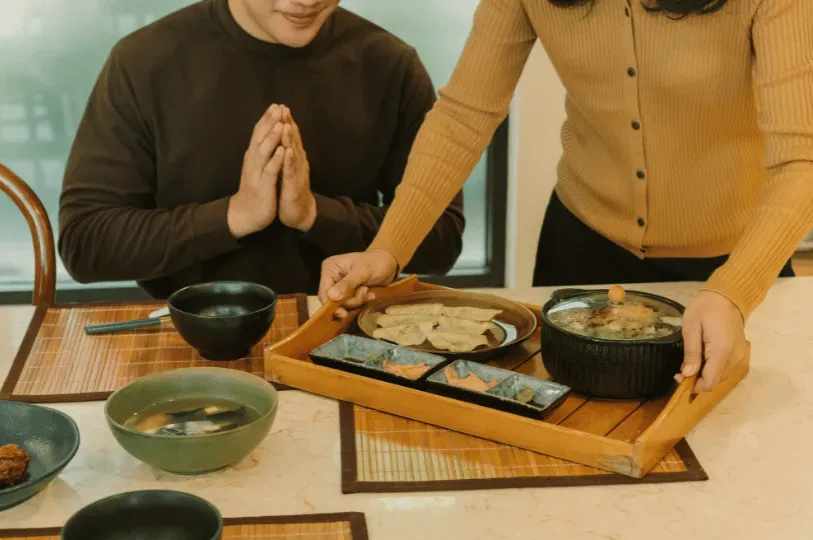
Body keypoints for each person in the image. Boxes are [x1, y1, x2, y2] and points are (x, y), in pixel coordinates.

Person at [319, 0, 813, 393]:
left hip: (734, 266)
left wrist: (733, 291)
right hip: (581, 250)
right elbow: (464, 115)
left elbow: (801, 159)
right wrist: (388, 247)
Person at [58, 0, 465, 299]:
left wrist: (314, 214)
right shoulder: (144, 61)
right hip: (182, 333)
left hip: (344, 327)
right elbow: (86, 244)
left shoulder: (389, 64)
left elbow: (442, 238)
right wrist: (233, 215)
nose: (308, 1)